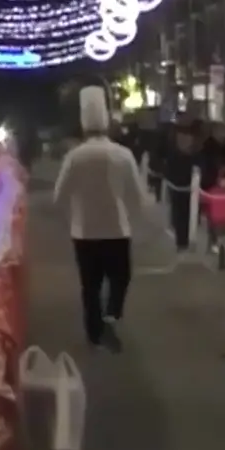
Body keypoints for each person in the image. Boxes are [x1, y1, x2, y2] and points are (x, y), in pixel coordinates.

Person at [53, 84, 147, 352]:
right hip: (118, 229)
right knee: (120, 277)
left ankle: (94, 333)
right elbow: (138, 196)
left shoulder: (75, 157)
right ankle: (111, 315)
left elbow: (58, 196)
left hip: (84, 232)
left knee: (90, 286)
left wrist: (72, 212)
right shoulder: (123, 154)